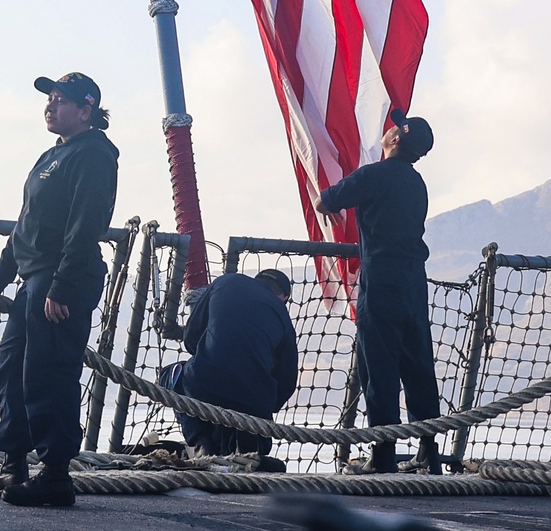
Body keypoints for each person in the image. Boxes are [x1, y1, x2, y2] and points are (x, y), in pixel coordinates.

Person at [0, 73, 119, 508]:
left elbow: (86, 226)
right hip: (33, 278)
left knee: (49, 374)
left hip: (62, 279)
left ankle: (56, 474)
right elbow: (26, 223)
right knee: (11, 369)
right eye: (50, 99)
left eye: (60, 100)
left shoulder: (94, 155)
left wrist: (62, 286)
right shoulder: (51, 156)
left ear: (86, 109)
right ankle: (15, 462)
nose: (51, 106)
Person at [317, 110, 442, 475]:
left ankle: (384, 455)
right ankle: (428, 451)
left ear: (396, 140)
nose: (386, 130)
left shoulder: (374, 175)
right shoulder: (417, 183)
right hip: (413, 280)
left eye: (391, 128)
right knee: (418, 361)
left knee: (379, 365)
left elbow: (325, 201)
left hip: (381, 278)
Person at [159, 268, 298, 467]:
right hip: (255, 403)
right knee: (247, 417)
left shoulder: (226, 282)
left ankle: (201, 447)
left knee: (170, 375)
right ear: (283, 296)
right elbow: (287, 380)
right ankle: (250, 455)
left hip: (204, 383)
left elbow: (191, 339)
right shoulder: (282, 314)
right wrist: (264, 405)